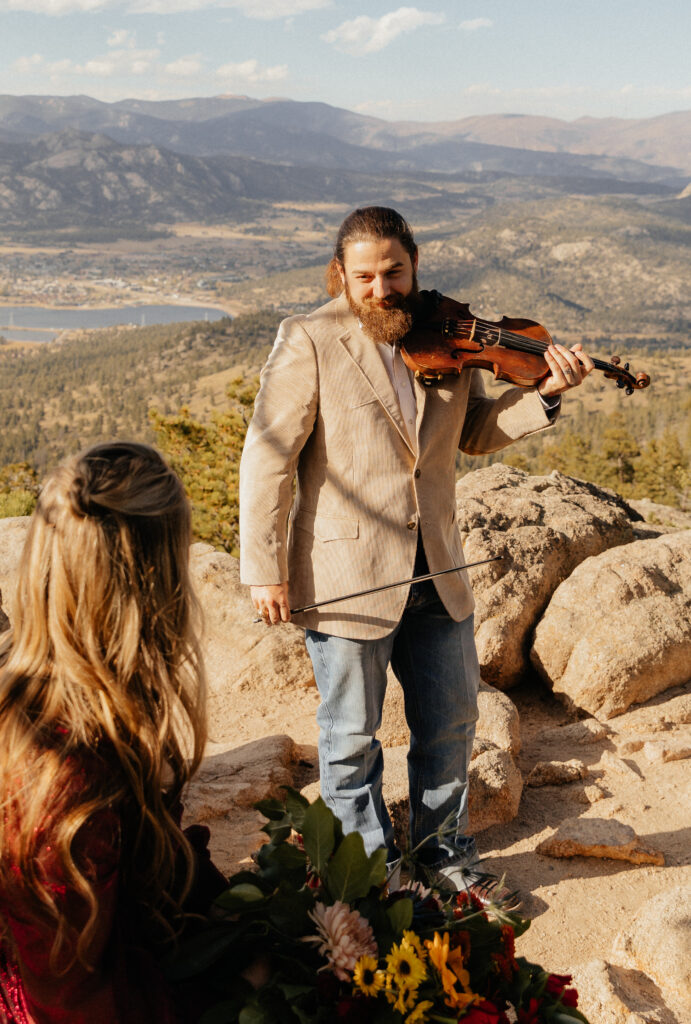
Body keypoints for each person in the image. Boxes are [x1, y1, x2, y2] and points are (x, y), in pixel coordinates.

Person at [239, 206, 593, 890]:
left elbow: (476, 435)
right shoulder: (308, 338)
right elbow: (268, 457)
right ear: (341, 274)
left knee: (451, 725)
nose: (380, 289)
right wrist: (264, 569)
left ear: (414, 266)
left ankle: (443, 854)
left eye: (392, 272)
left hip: (439, 566)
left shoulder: (444, 335)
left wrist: (545, 394)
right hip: (348, 573)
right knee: (349, 740)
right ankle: (370, 874)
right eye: (364, 276)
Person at [0, 441, 225, 1024]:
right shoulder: (66, 776)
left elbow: (157, 877)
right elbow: (76, 1005)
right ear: (153, 592)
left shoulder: (94, 715)